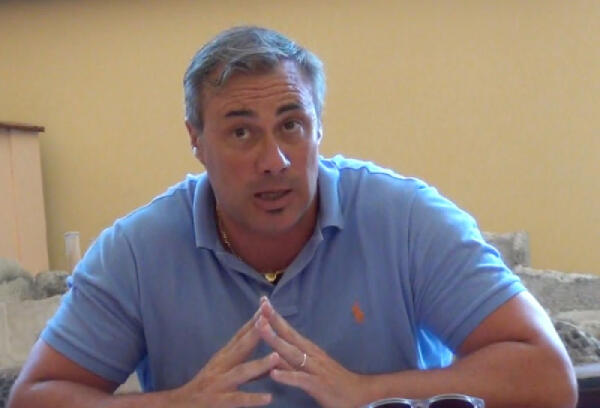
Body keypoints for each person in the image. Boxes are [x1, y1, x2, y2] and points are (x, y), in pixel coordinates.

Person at [8, 26, 577, 408]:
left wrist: (367, 392)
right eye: (241, 132)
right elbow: (35, 397)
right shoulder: (136, 250)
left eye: (291, 125)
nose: (274, 160)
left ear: (318, 128)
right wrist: (177, 404)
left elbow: (549, 376)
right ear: (196, 141)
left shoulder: (407, 219)